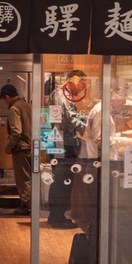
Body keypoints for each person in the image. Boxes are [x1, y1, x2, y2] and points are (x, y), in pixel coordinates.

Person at [45, 70, 88, 228]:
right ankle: (57, 217)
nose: (82, 89)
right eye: (82, 84)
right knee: (62, 181)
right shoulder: (61, 95)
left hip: (59, 142)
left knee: (62, 181)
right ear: (74, 81)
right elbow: (70, 121)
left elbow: (71, 117)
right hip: (60, 144)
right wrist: (88, 129)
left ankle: (57, 216)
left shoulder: (62, 95)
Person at [0, 84, 32, 216]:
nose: (4, 101)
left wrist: (8, 147)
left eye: (3, 99)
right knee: (30, 177)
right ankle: (30, 204)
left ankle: (27, 206)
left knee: (23, 178)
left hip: (22, 148)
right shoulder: (26, 105)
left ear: (7, 97)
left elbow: (16, 132)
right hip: (31, 146)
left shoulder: (14, 108)